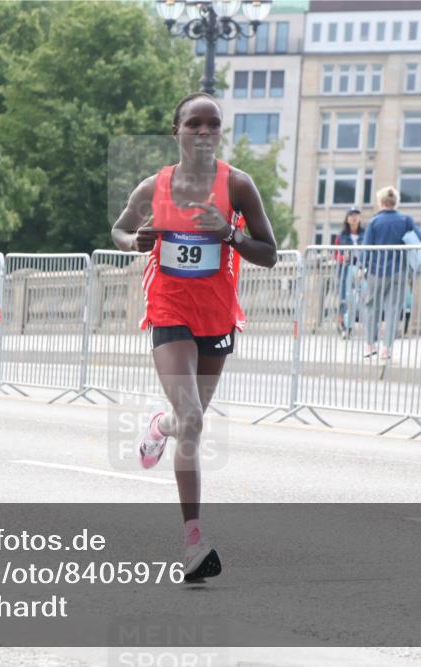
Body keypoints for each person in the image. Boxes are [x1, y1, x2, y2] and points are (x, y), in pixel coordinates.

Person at [111, 92, 277, 582]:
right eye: (194, 124)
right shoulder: (155, 186)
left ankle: (159, 426)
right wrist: (134, 241)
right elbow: (120, 230)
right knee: (195, 418)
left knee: (188, 422)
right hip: (169, 312)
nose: (204, 132)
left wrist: (229, 233)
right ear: (176, 131)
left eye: (213, 125)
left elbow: (268, 252)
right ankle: (194, 543)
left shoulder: (238, 185)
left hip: (218, 318)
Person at [360, 186, 421, 361]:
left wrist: (361, 267)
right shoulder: (405, 220)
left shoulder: (374, 222)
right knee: (393, 309)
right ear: (396, 202)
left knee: (372, 307)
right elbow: (419, 236)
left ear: (380, 202)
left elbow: (366, 247)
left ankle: (370, 344)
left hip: (376, 270)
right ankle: (386, 348)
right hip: (399, 270)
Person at [334, 208, 364, 338]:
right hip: (345, 269)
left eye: (356, 215)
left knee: (359, 298)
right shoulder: (341, 236)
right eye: (351, 215)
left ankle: (352, 324)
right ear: (347, 219)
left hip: (361, 270)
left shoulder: (365, 234)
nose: (354, 218)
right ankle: (343, 326)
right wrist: (342, 258)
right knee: (344, 298)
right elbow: (335, 255)